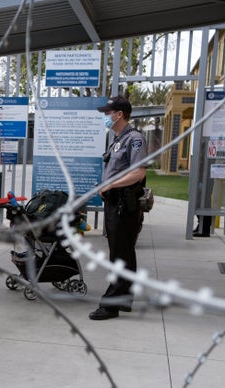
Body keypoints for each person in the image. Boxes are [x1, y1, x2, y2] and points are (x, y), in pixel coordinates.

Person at [89, 95, 147, 320]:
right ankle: (124, 298)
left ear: (119, 114)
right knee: (124, 252)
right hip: (115, 201)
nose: (106, 116)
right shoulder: (117, 139)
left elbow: (139, 172)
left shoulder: (134, 139)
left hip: (123, 203)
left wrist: (111, 184)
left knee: (119, 255)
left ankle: (111, 304)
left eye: (108, 113)